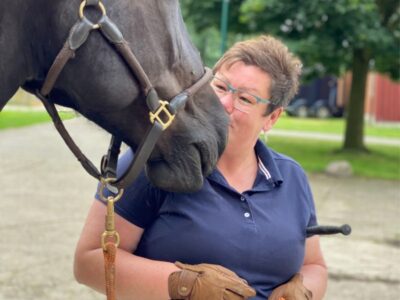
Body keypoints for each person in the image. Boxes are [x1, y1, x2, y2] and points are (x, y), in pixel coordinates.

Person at [74, 35, 328, 300]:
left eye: (245, 99)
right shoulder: (154, 159)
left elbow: (314, 265)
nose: (224, 104)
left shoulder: (292, 177)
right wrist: (182, 284)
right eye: (220, 87)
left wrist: (305, 292)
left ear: (272, 118)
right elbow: (88, 261)